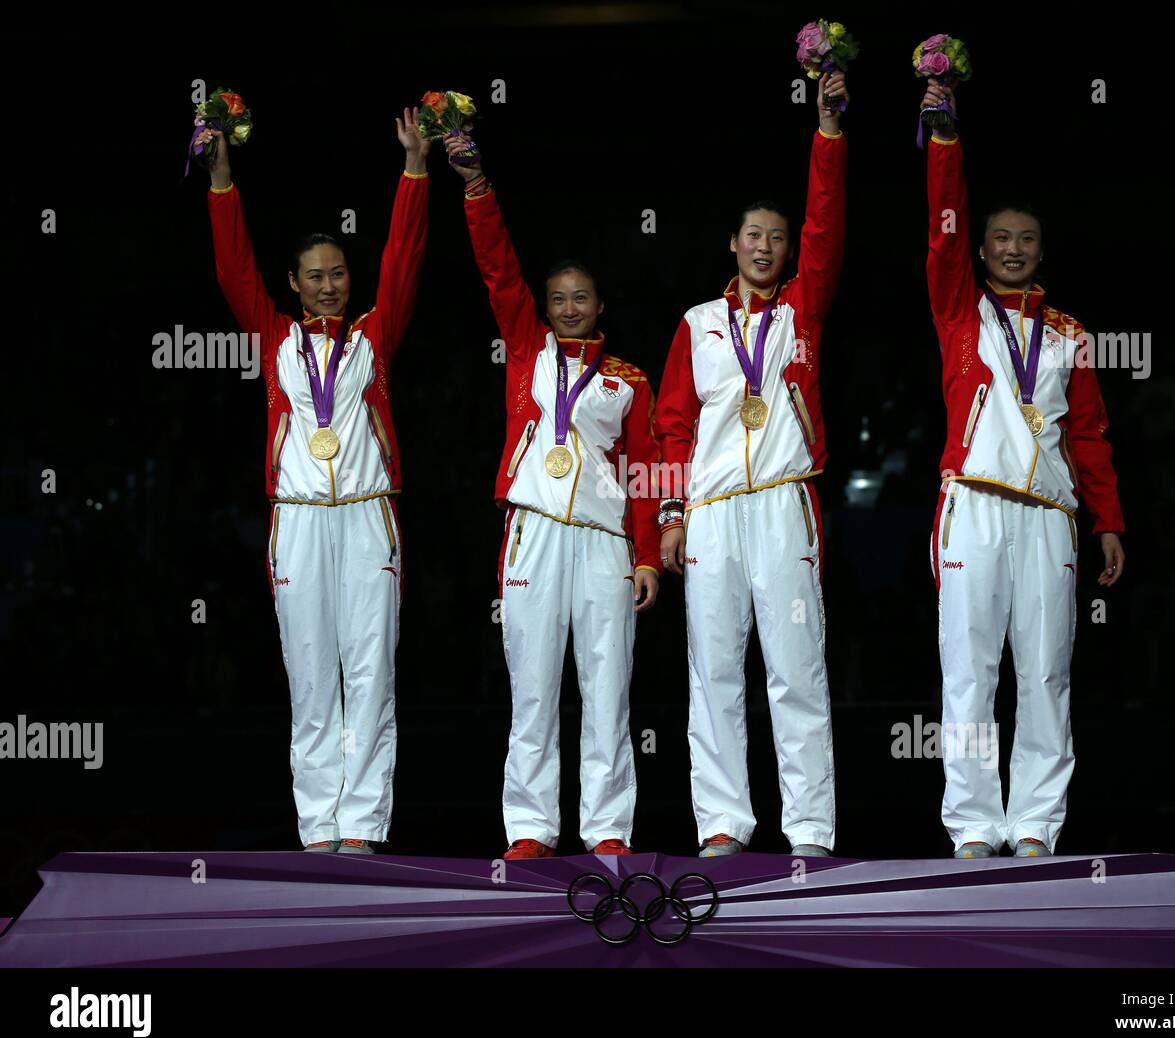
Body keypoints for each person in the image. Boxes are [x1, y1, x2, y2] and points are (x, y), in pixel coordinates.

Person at [205, 108, 432, 853]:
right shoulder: (274, 339)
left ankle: (362, 826)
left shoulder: (374, 334)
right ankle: (317, 829)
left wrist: (415, 169)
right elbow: (232, 267)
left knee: (370, 671)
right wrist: (221, 175)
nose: (329, 285)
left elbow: (404, 255)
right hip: (297, 516)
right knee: (309, 676)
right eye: (316, 277)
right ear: (294, 284)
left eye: (338, 274)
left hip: (368, 517)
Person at [440, 130, 662, 860]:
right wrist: (475, 183)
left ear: (601, 305)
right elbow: (497, 267)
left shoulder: (628, 380)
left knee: (607, 691)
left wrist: (650, 555)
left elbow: (647, 470)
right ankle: (531, 826)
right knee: (532, 688)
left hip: (604, 544)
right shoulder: (527, 352)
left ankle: (608, 829)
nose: (568, 308)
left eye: (581, 298)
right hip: (533, 532)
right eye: (558, 298)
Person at [919, 77, 1126, 859]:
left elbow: (1093, 435)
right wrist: (944, 139)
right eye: (999, 237)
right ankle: (973, 823)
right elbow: (941, 234)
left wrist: (1107, 519)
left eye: (1026, 240)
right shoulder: (957, 307)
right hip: (970, 504)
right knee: (969, 673)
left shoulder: (1070, 331)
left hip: (1049, 516)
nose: (1012, 248)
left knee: (1045, 673)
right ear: (981, 246)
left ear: (1042, 251)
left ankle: (1036, 822)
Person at [656, 72, 849, 858]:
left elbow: (828, 224)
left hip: (781, 502)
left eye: (777, 235)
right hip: (709, 515)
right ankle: (724, 823)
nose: (766, 246)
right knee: (714, 672)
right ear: (732, 245)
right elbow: (672, 425)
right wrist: (669, 513)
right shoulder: (699, 324)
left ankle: (808, 830)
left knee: (796, 666)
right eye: (753, 235)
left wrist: (827, 126)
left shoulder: (804, 304)